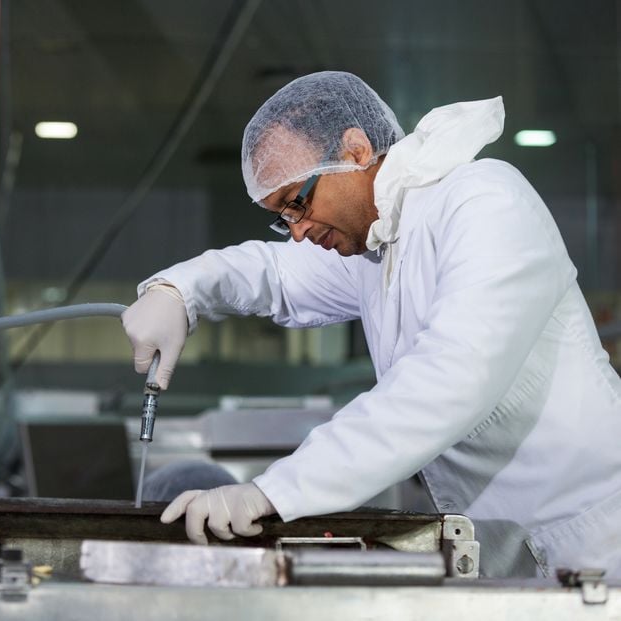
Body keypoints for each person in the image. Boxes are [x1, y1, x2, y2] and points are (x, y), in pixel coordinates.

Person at [121, 71, 621, 578]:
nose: (297, 232)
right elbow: (273, 272)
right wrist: (178, 288)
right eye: (281, 216)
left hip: (600, 539)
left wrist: (274, 490)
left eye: (297, 202)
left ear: (357, 151)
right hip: (519, 557)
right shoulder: (380, 245)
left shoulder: (485, 202)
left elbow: (445, 383)